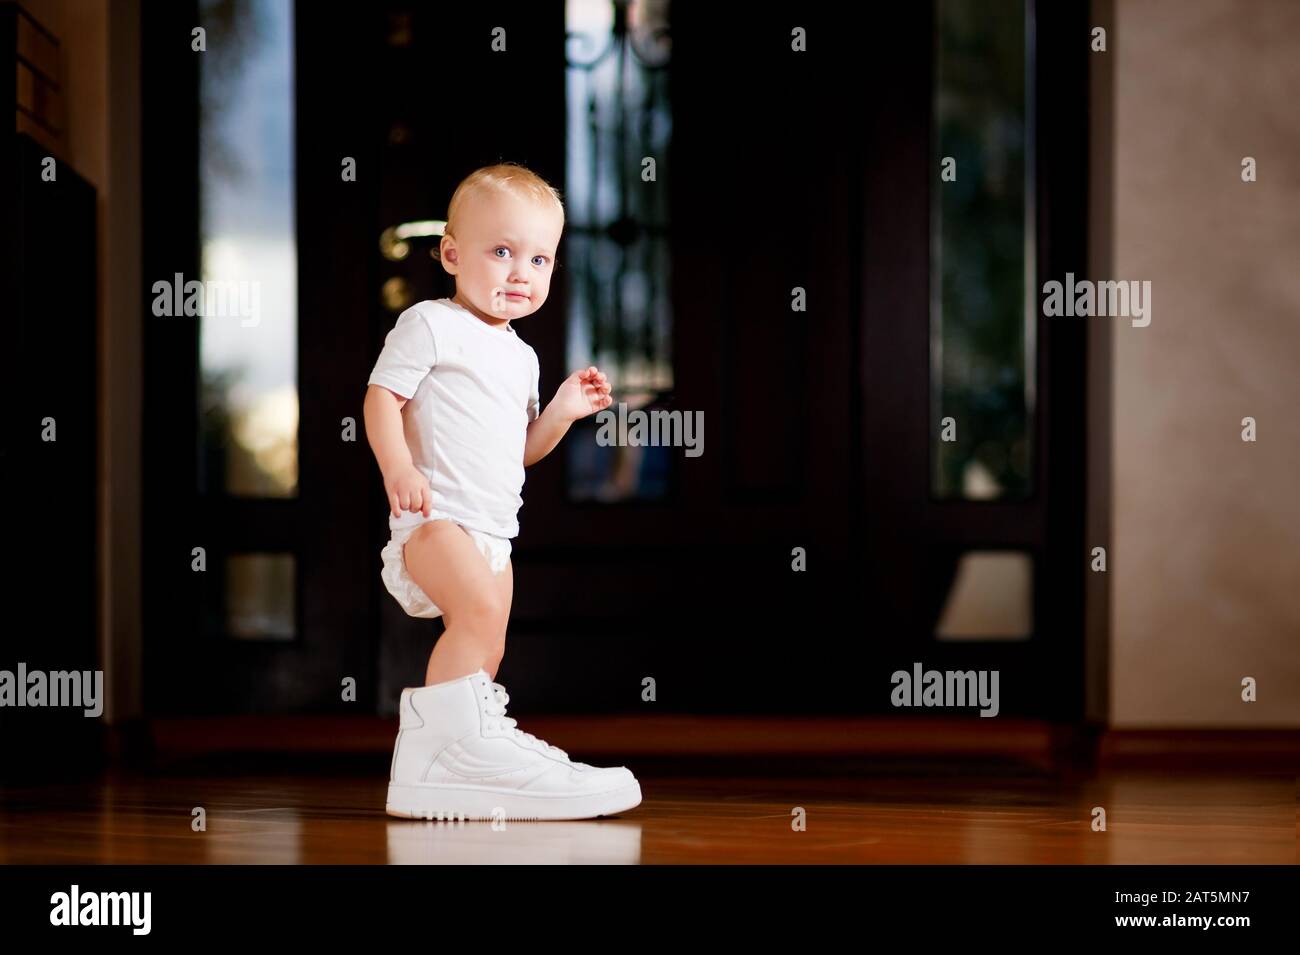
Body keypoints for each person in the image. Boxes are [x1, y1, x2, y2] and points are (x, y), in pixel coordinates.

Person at [363, 162, 642, 820]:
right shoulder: (429, 323)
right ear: (453, 255)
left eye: (540, 258)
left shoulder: (522, 356)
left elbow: (521, 450)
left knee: (490, 641)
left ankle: (472, 754)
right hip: (435, 519)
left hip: (494, 531)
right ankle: (433, 757)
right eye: (503, 251)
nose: (522, 272)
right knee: (477, 616)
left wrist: (563, 412)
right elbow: (380, 399)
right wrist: (398, 468)